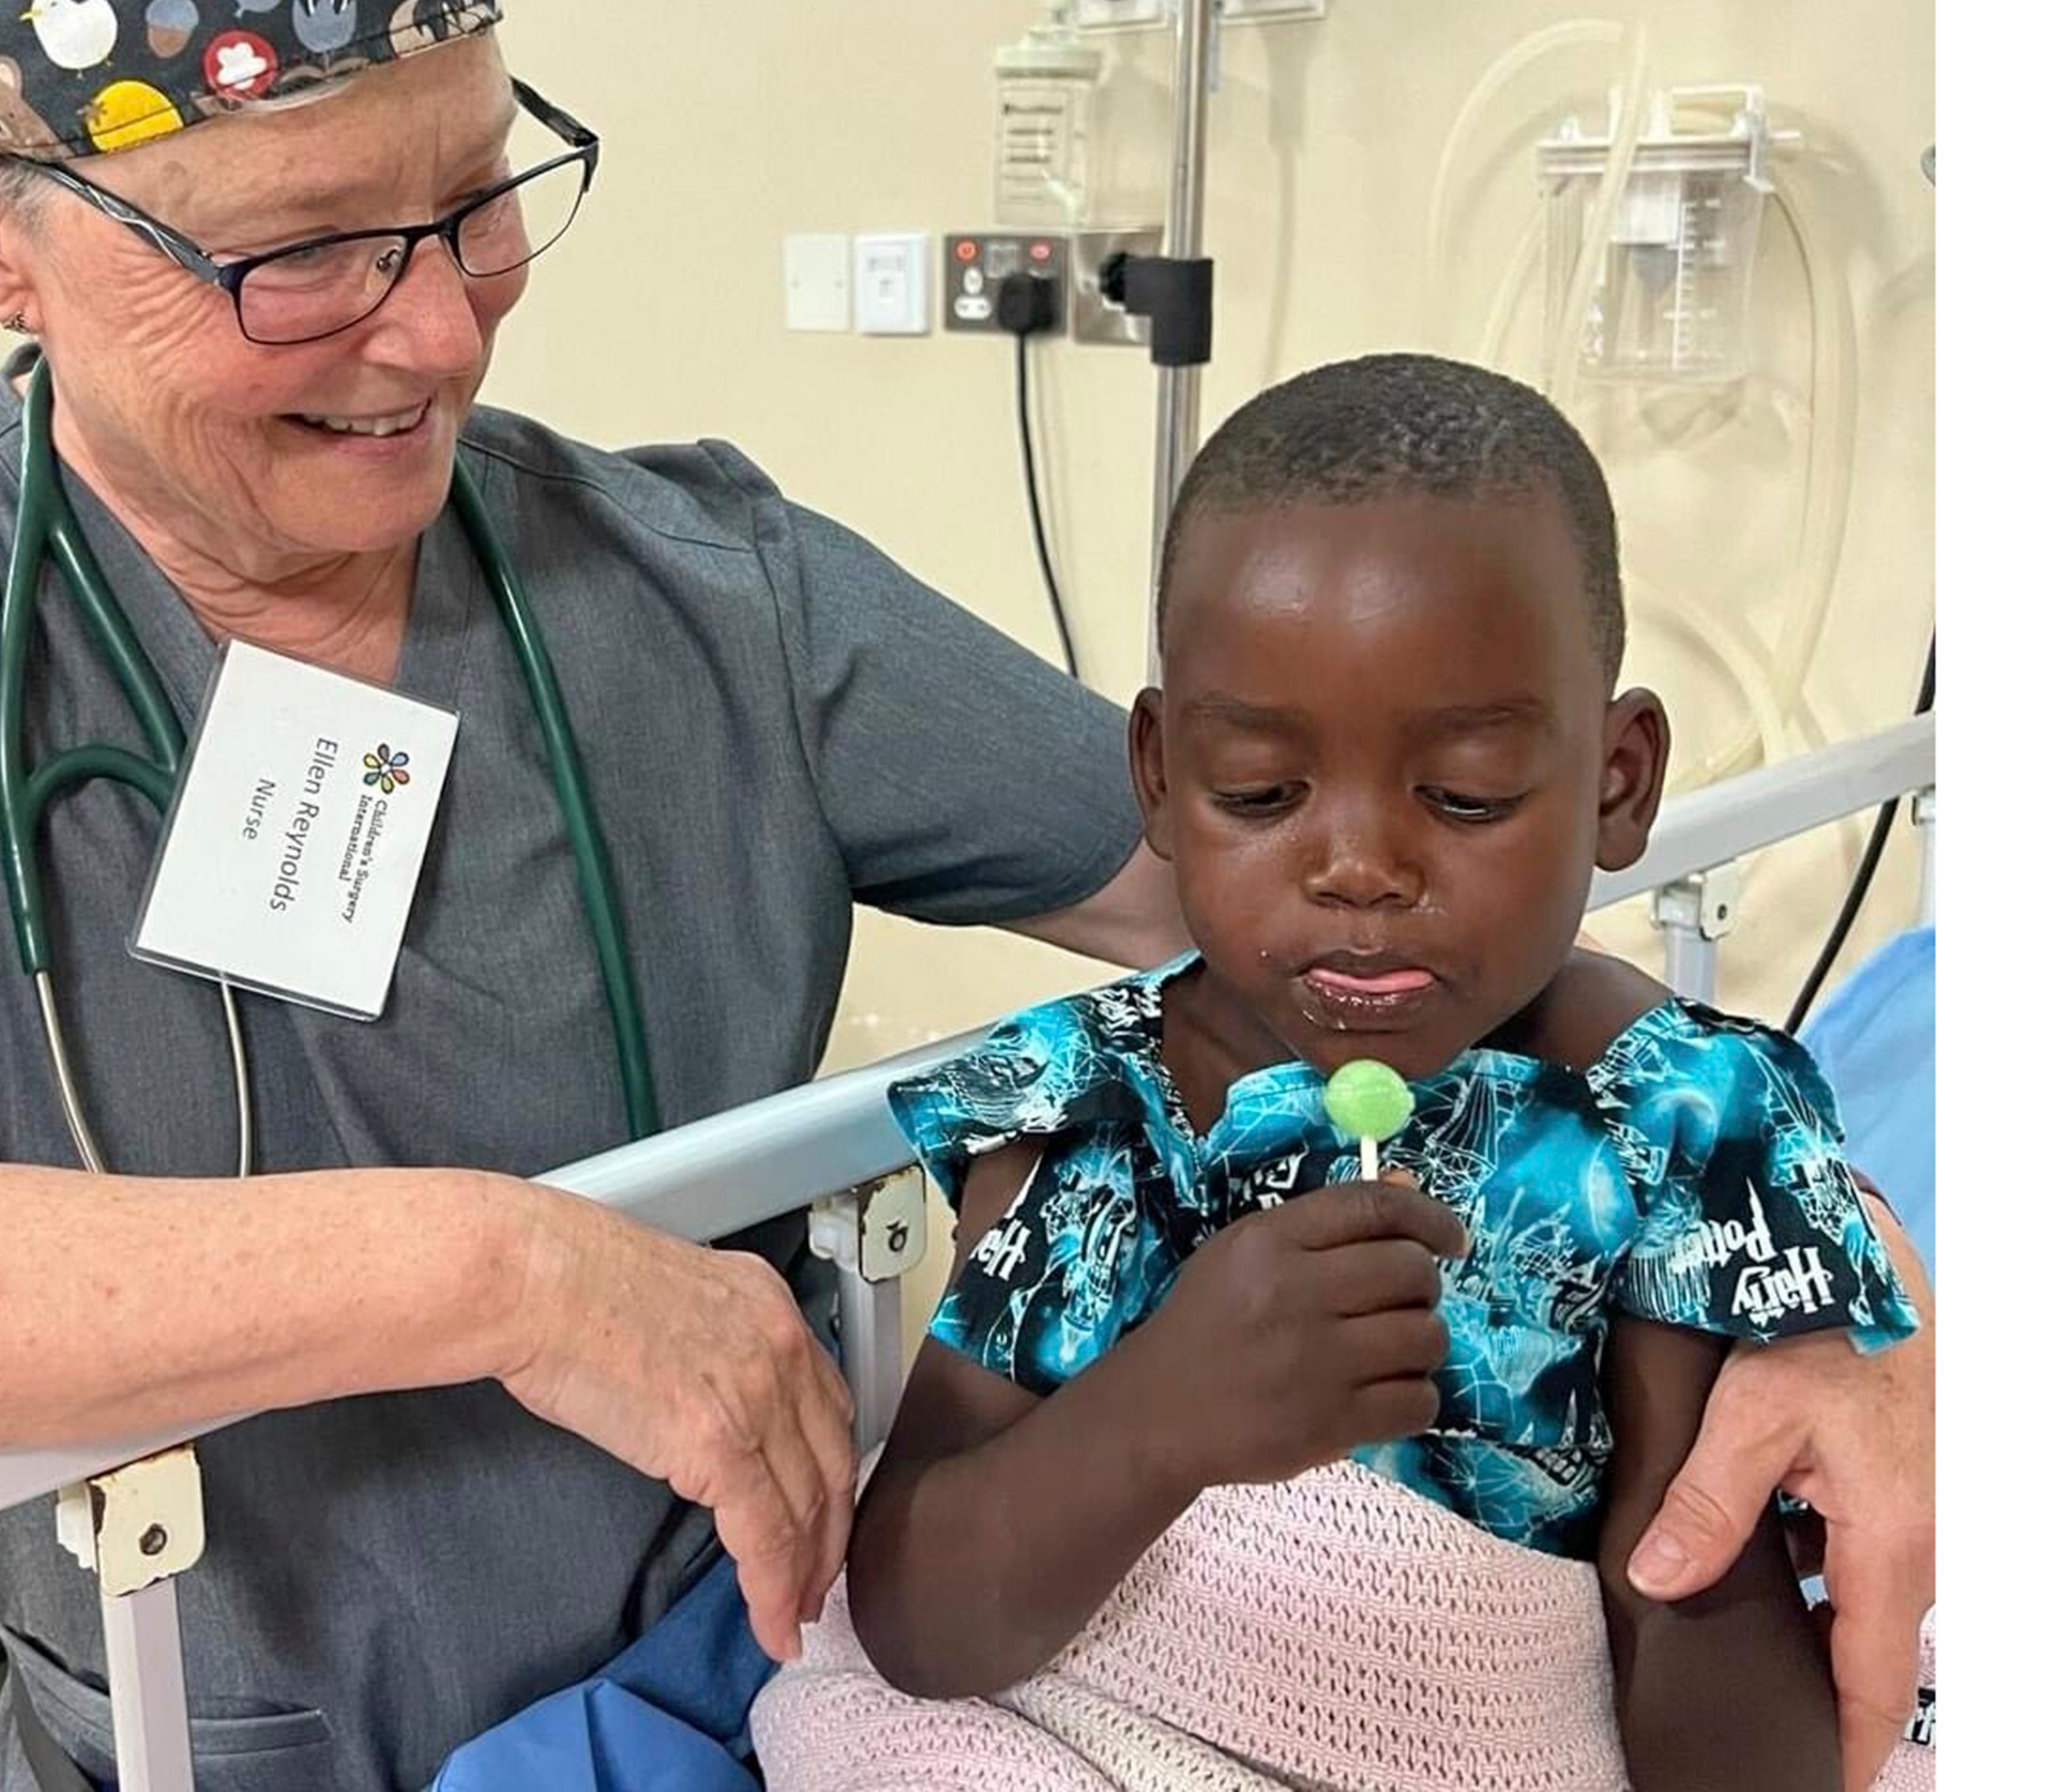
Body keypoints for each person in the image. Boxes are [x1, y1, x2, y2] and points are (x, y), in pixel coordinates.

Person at [0, 0, 1934, 1790]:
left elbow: (1314, 908)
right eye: (307, 255)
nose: (448, 325)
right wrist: (495, 1271)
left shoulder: (702, 587)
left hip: (739, 1713)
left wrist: (1768, 1211)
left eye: (477, 201)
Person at [753, 356, 1936, 1792]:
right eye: (1260, 792)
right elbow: (920, 1619)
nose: (1360, 866)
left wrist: (1686, 1480)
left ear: (1619, 782)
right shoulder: (1099, 1116)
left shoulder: (1673, 1129)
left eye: (1468, 794)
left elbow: (1723, 1714)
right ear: (1161, 777)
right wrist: (1159, 1416)